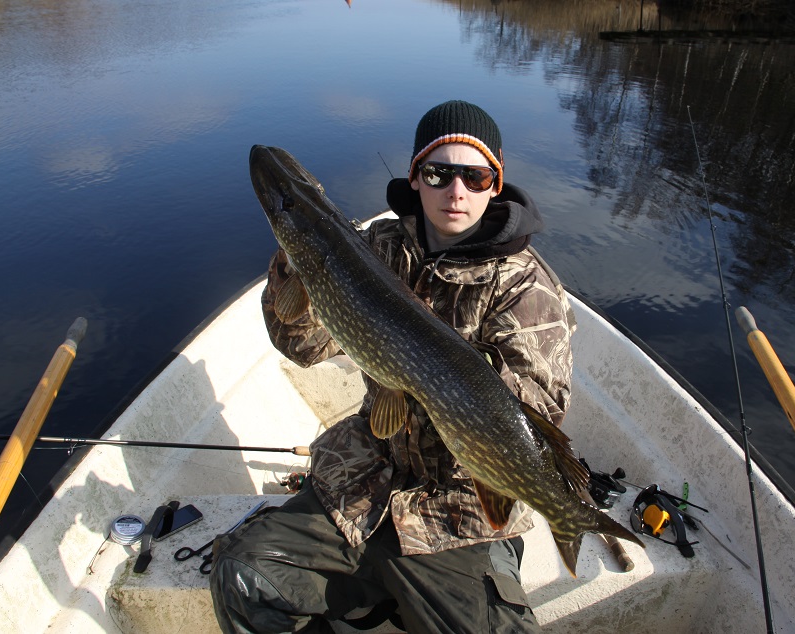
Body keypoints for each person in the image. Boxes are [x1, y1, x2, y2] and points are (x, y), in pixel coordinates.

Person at [210, 100, 576, 634]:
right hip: (360, 480)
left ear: (496, 184)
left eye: (475, 177)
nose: (456, 191)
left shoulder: (526, 288)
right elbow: (304, 346)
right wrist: (291, 266)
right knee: (243, 574)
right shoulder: (374, 248)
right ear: (416, 177)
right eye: (439, 173)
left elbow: (535, 410)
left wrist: (435, 384)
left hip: (456, 510)